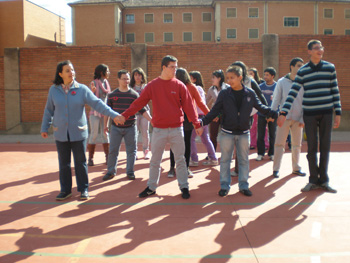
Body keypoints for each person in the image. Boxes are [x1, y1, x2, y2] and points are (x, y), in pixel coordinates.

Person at [116, 55, 203, 199]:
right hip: (159, 130)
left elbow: (189, 106)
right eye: (172, 67)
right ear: (163, 67)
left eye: (176, 67)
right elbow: (138, 103)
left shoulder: (180, 85)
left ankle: (184, 186)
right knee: (155, 160)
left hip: (177, 129)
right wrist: (125, 115)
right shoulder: (152, 85)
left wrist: (197, 123)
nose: (175, 70)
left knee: (180, 159)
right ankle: (151, 187)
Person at [41, 60, 120, 201]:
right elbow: (49, 110)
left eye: (72, 70)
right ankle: (65, 190)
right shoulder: (53, 90)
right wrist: (44, 127)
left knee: (80, 162)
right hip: (60, 133)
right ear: (60, 74)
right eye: (68, 70)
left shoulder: (82, 89)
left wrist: (114, 115)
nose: (72, 73)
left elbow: (98, 104)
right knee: (63, 163)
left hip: (78, 132)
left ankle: (83, 189)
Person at [201, 66, 277, 197]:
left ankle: (244, 185)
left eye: (232, 78)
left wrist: (274, 113)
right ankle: (224, 186)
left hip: (243, 133)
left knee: (243, 160)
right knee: (225, 160)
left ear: (240, 78)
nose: (229, 81)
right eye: (228, 78)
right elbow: (214, 110)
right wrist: (202, 123)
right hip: (227, 133)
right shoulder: (224, 94)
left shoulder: (250, 93)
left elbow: (260, 106)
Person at [278, 40, 341, 193]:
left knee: (325, 147)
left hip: (326, 113)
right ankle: (313, 180)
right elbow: (293, 93)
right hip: (310, 114)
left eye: (321, 47)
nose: (320, 50)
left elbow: (335, 90)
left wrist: (337, 112)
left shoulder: (330, 68)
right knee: (312, 147)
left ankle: (324, 180)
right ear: (309, 52)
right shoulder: (303, 71)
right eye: (316, 48)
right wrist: (283, 112)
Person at [103, 70, 152, 181]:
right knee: (113, 150)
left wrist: (151, 120)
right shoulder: (112, 95)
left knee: (131, 150)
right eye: (124, 78)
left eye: (128, 79)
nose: (126, 81)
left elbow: (142, 109)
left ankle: (130, 171)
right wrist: (105, 125)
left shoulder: (134, 95)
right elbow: (107, 111)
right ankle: (111, 171)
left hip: (130, 127)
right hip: (115, 128)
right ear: (118, 79)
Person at [167, 68, 210, 178]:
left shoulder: (191, 87)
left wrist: (210, 115)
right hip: (176, 117)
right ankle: (174, 167)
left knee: (182, 142)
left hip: (187, 117)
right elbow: (201, 103)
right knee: (180, 143)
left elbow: (200, 102)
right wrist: (210, 114)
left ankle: (181, 168)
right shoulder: (172, 86)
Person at [271, 57, 306, 178]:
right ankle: (276, 169)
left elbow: (306, 101)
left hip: (298, 119)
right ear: (291, 67)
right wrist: (272, 114)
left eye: (302, 65)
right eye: (298, 65)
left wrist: (303, 118)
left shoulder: (303, 82)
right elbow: (276, 99)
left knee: (297, 144)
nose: (301, 68)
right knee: (279, 144)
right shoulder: (281, 82)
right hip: (283, 118)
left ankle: (296, 168)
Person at [188, 71, 218, 167]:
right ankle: (213, 158)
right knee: (205, 139)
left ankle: (194, 159)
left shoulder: (196, 88)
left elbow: (198, 103)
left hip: (198, 117)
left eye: (190, 78)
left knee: (191, 139)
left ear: (194, 79)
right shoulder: (200, 89)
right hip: (203, 117)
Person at [87, 64, 111, 166]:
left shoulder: (106, 83)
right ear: (102, 72)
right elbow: (89, 99)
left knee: (105, 133)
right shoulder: (93, 83)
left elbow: (108, 97)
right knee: (94, 134)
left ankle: (108, 157)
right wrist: (91, 93)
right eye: (107, 71)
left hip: (104, 112)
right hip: (95, 112)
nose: (109, 72)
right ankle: (90, 158)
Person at [256, 67, 277, 161]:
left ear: (273, 76)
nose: (265, 77)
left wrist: (273, 114)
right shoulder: (260, 87)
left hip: (273, 114)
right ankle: (260, 153)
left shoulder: (277, 86)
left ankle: (272, 153)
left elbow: (279, 101)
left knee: (273, 135)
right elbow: (257, 101)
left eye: (267, 75)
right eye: (264, 74)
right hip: (261, 114)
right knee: (260, 135)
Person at [130, 67, 151, 160]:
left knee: (145, 133)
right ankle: (134, 152)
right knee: (134, 133)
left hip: (145, 113)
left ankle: (146, 151)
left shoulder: (146, 87)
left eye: (139, 75)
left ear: (142, 76)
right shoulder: (130, 88)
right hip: (134, 113)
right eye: (136, 75)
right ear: (133, 77)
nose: (138, 77)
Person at [206, 70, 227, 152]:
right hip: (214, 115)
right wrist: (210, 114)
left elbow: (227, 104)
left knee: (226, 135)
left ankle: (227, 153)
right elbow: (205, 102)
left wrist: (219, 115)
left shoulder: (227, 88)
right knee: (212, 135)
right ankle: (212, 154)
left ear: (219, 78)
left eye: (213, 78)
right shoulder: (211, 89)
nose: (212, 79)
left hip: (225, 115)